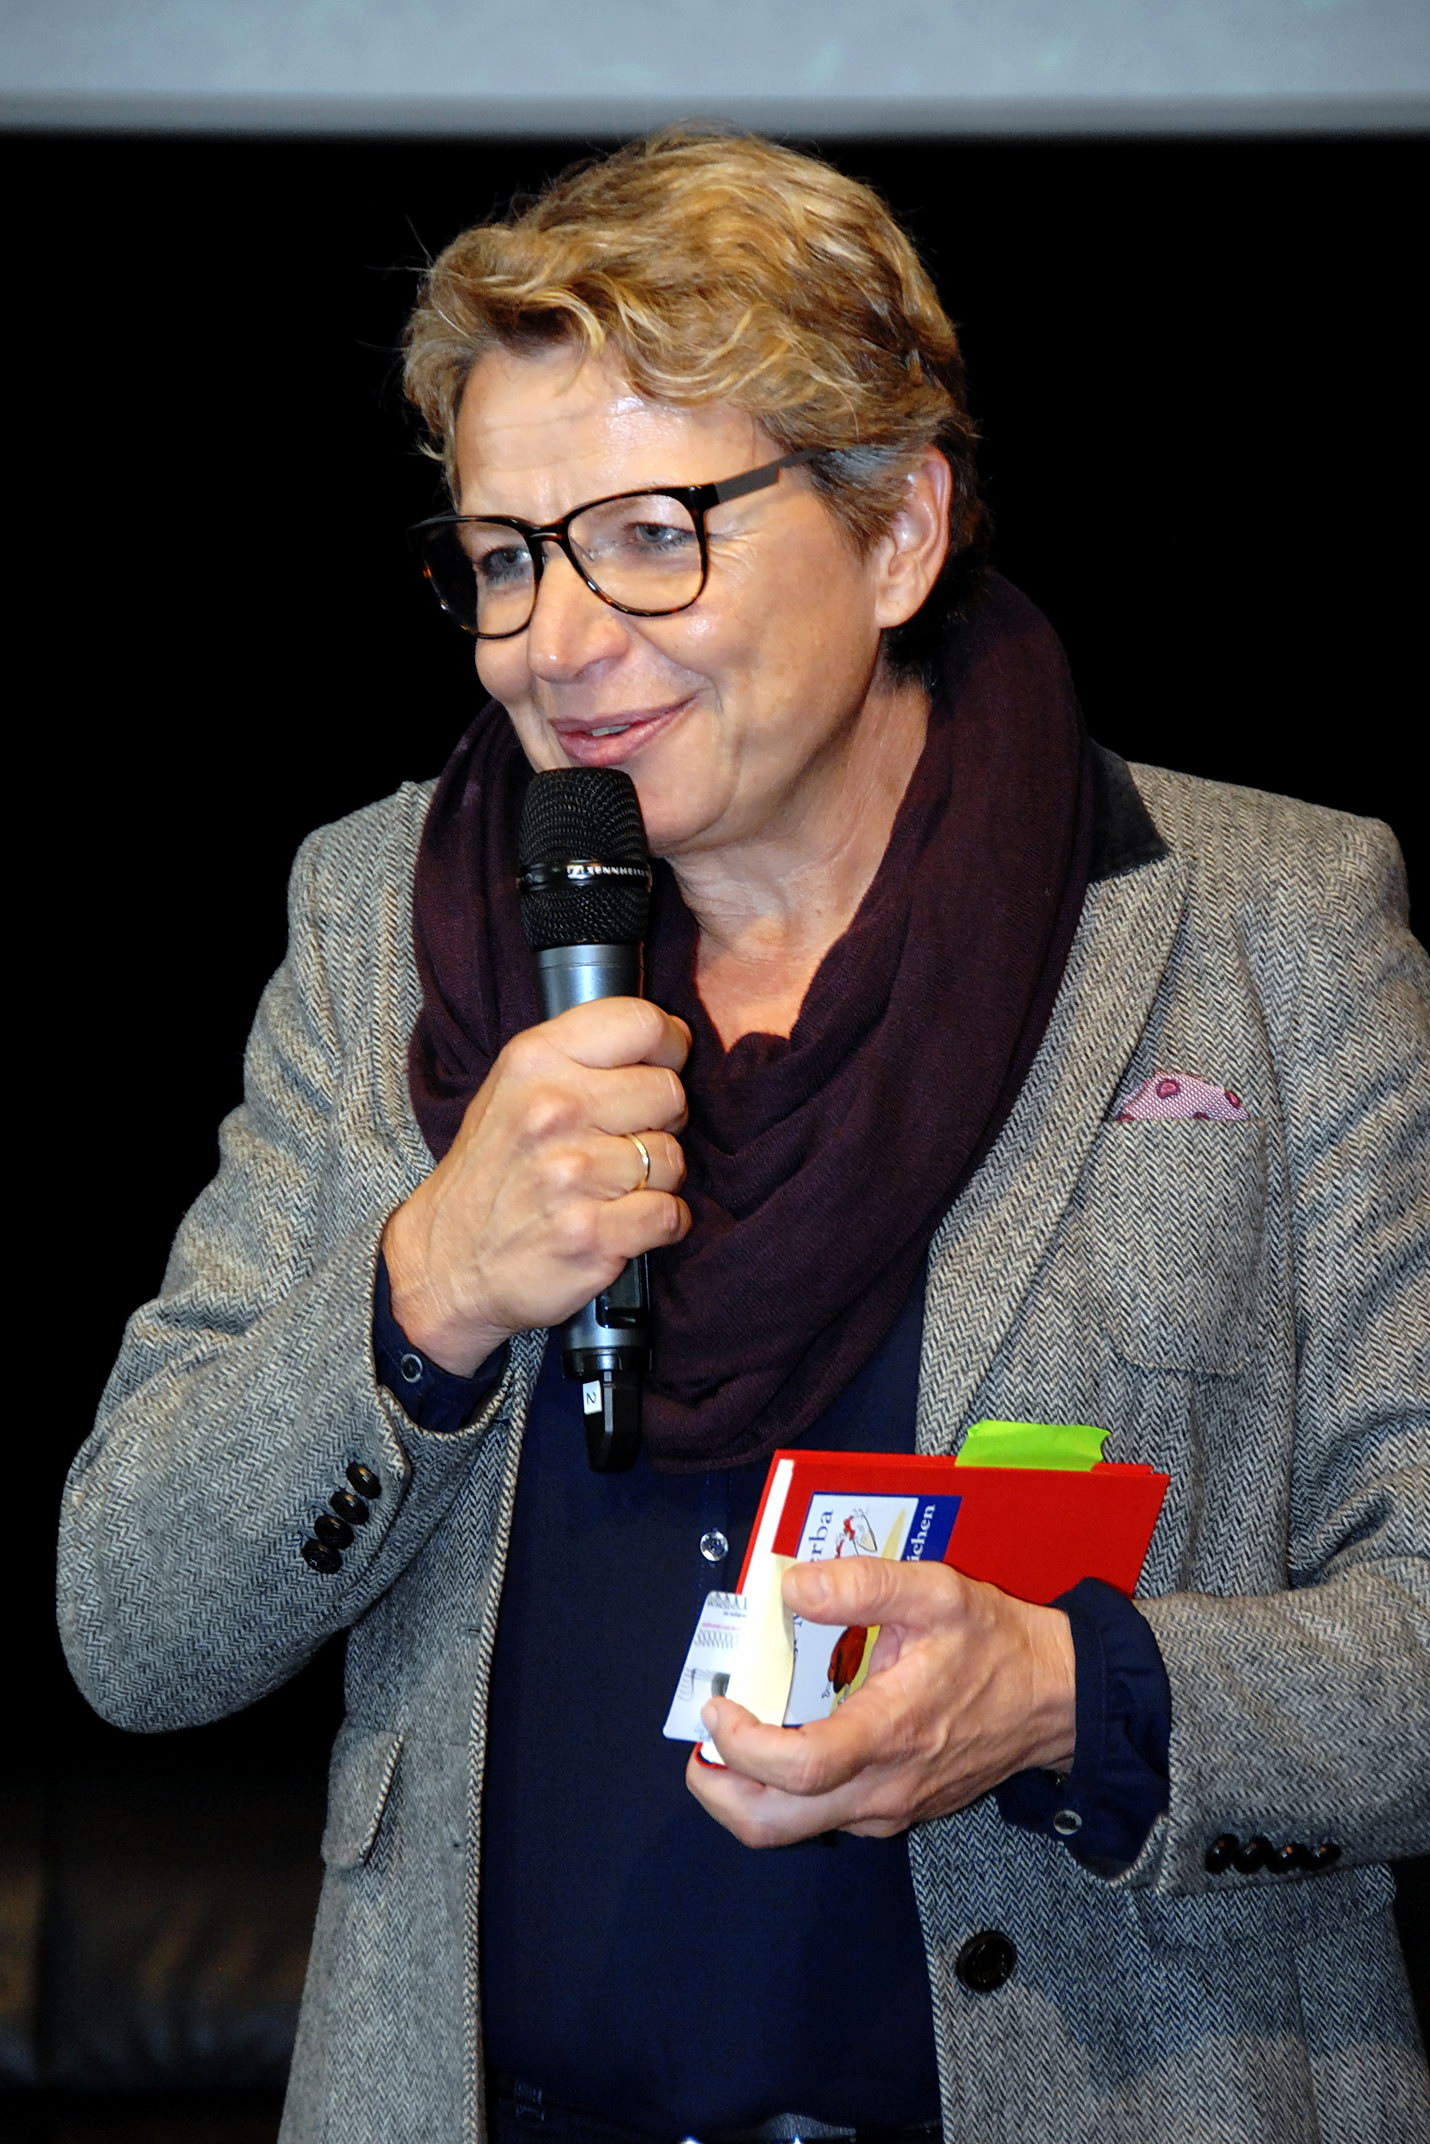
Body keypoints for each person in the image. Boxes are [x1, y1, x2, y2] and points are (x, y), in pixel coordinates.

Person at [58, 128, 1428, 2144]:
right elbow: (131, 1627)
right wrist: (425, 1292)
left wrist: (1073, 1694)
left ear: (897, 532)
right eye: (504, 557)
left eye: (648, 533)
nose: (553, 642)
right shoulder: (375, 922)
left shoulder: (1262, 929)